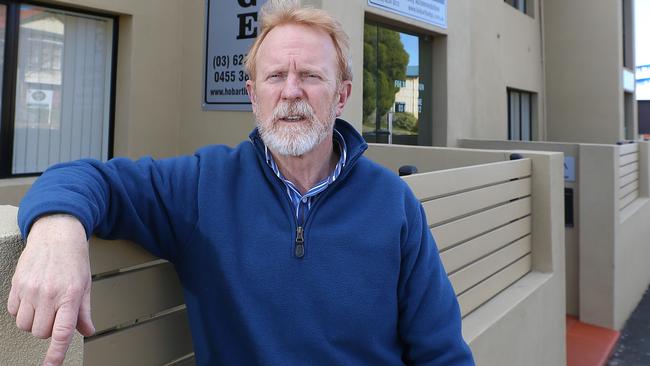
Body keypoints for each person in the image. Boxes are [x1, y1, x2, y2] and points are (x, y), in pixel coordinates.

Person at [7, 1, 475, 365]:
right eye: (275, 76)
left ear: (342, 96)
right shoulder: (202, 186)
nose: (291, 91)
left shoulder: (393, 203)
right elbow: (86, 178)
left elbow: (440, 352)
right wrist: (55, 230)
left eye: (311, 76)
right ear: (253, 95)